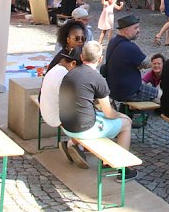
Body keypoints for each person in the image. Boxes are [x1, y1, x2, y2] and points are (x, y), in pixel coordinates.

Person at [58, 40, 136, 179]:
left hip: (65, 125)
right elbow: (109, 113)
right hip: (84, 129)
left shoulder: (70, 73)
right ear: (100, 59)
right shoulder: (98, 79)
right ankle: (124, 169)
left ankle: (71, 143)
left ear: (81, 57)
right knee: (126, 124)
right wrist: (122, 116)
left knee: (97, 116)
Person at [106, 14, 158, 102]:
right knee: (160, 94)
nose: (138, 30)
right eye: (136, 28)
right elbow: (146, 64)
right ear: (126, 30)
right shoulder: (129, 47)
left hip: (113, 90)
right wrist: (156, 57)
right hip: (130, 91)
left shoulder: (112, 42)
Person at [39, 46, 81, 130]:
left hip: (46, 112)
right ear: (73, 64)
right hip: (55, 118)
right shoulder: (64, 75)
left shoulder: (57, 67)